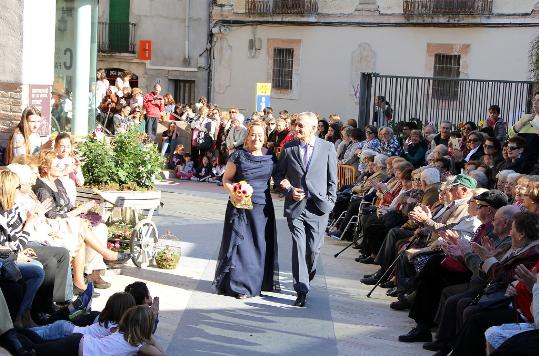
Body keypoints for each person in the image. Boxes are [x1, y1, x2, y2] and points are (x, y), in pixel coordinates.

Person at [274, 112, 337, 307]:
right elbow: (278, 177)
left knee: (312, 250)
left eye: (301, 126)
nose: (296, 129)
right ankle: (301, 289)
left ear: (314, 128)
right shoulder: (289, 147)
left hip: (318, 208)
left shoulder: (327, 148)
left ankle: (306, 277)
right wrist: (289, 189)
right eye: (295, 125)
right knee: (299, 248)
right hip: (296, 208)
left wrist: (330, 202)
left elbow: (332, 181)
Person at [213, 121, 280, 298]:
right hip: (240, 207)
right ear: (247, 136)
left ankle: (255, 283)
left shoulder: (271, 156)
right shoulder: (238, 156)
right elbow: (226, 180)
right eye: (253, 134)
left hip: (262, 209)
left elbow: (279, 179)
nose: (256, 138)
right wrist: (235, 191)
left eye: (260, 135)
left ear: (265, 137)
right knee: (241, 246)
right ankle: (238, 286)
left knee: (259, 245)